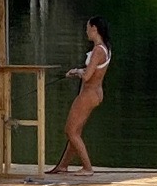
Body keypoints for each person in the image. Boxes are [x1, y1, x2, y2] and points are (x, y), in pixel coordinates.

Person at [47, 15, 111, 175]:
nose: (86, 31)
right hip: (95, 93)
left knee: (70, 131)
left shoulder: (98, 50)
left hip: (88, 94)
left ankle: (87, 168)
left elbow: (87, 76)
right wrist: (78, 71)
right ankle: (63, 165)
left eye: (88, 28)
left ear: (94, 29)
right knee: (76, 131)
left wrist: (76, 71)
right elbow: (93, 71)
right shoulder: (105, 48)